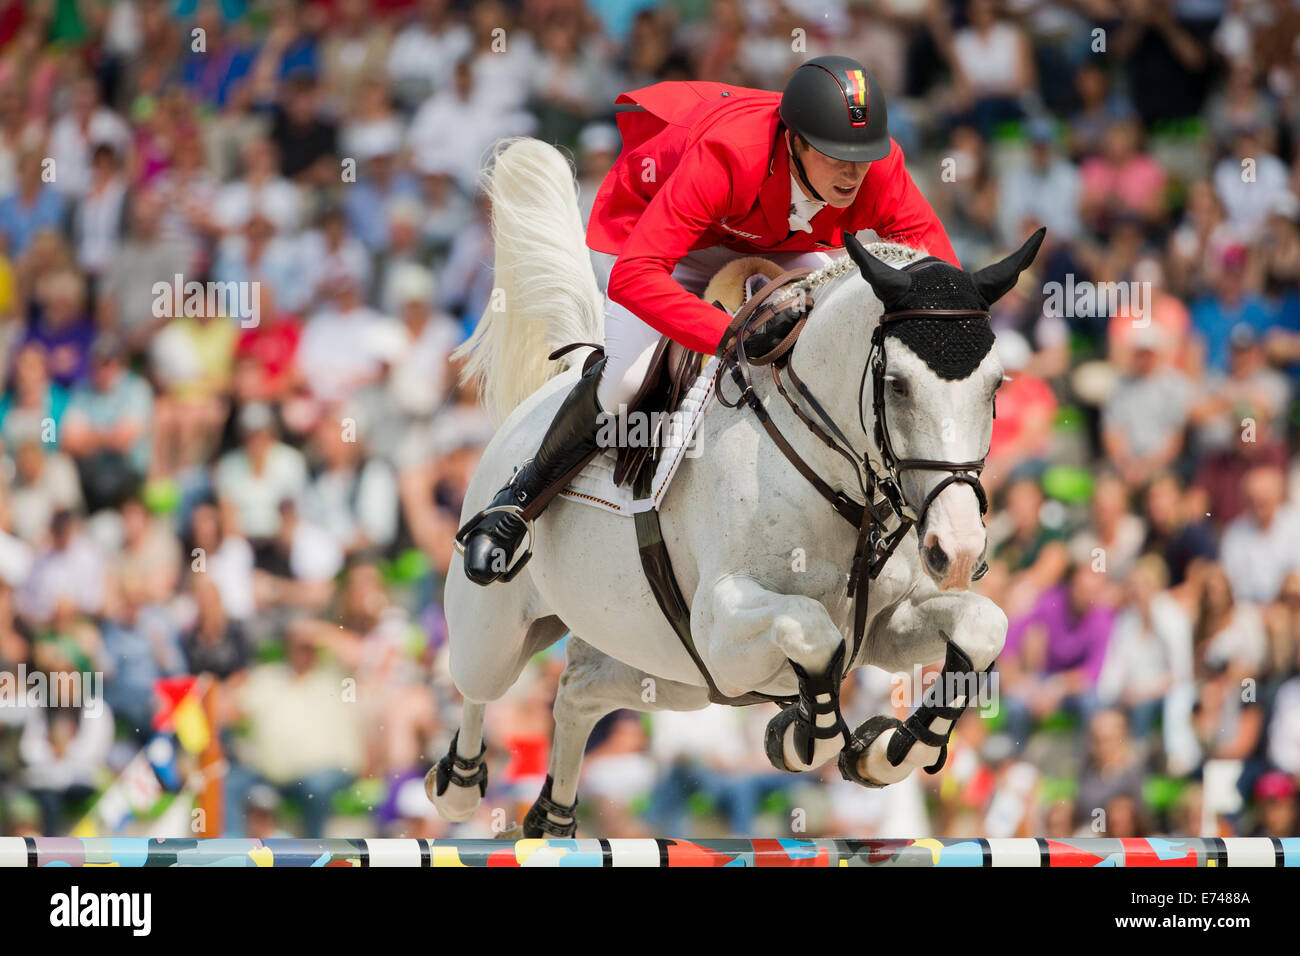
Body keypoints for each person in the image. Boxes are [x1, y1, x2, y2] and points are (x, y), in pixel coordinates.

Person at [458, 55, 959, 584]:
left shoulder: (878, 167)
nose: (854, 173)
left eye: (863, 157)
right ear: (794, 141)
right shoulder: (730, 155)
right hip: (678, 245)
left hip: (782, 244)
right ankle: (516, 502)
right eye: (837, 156)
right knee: (627, 381)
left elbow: (941, 280)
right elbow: (635, 275)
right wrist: (731, 335)